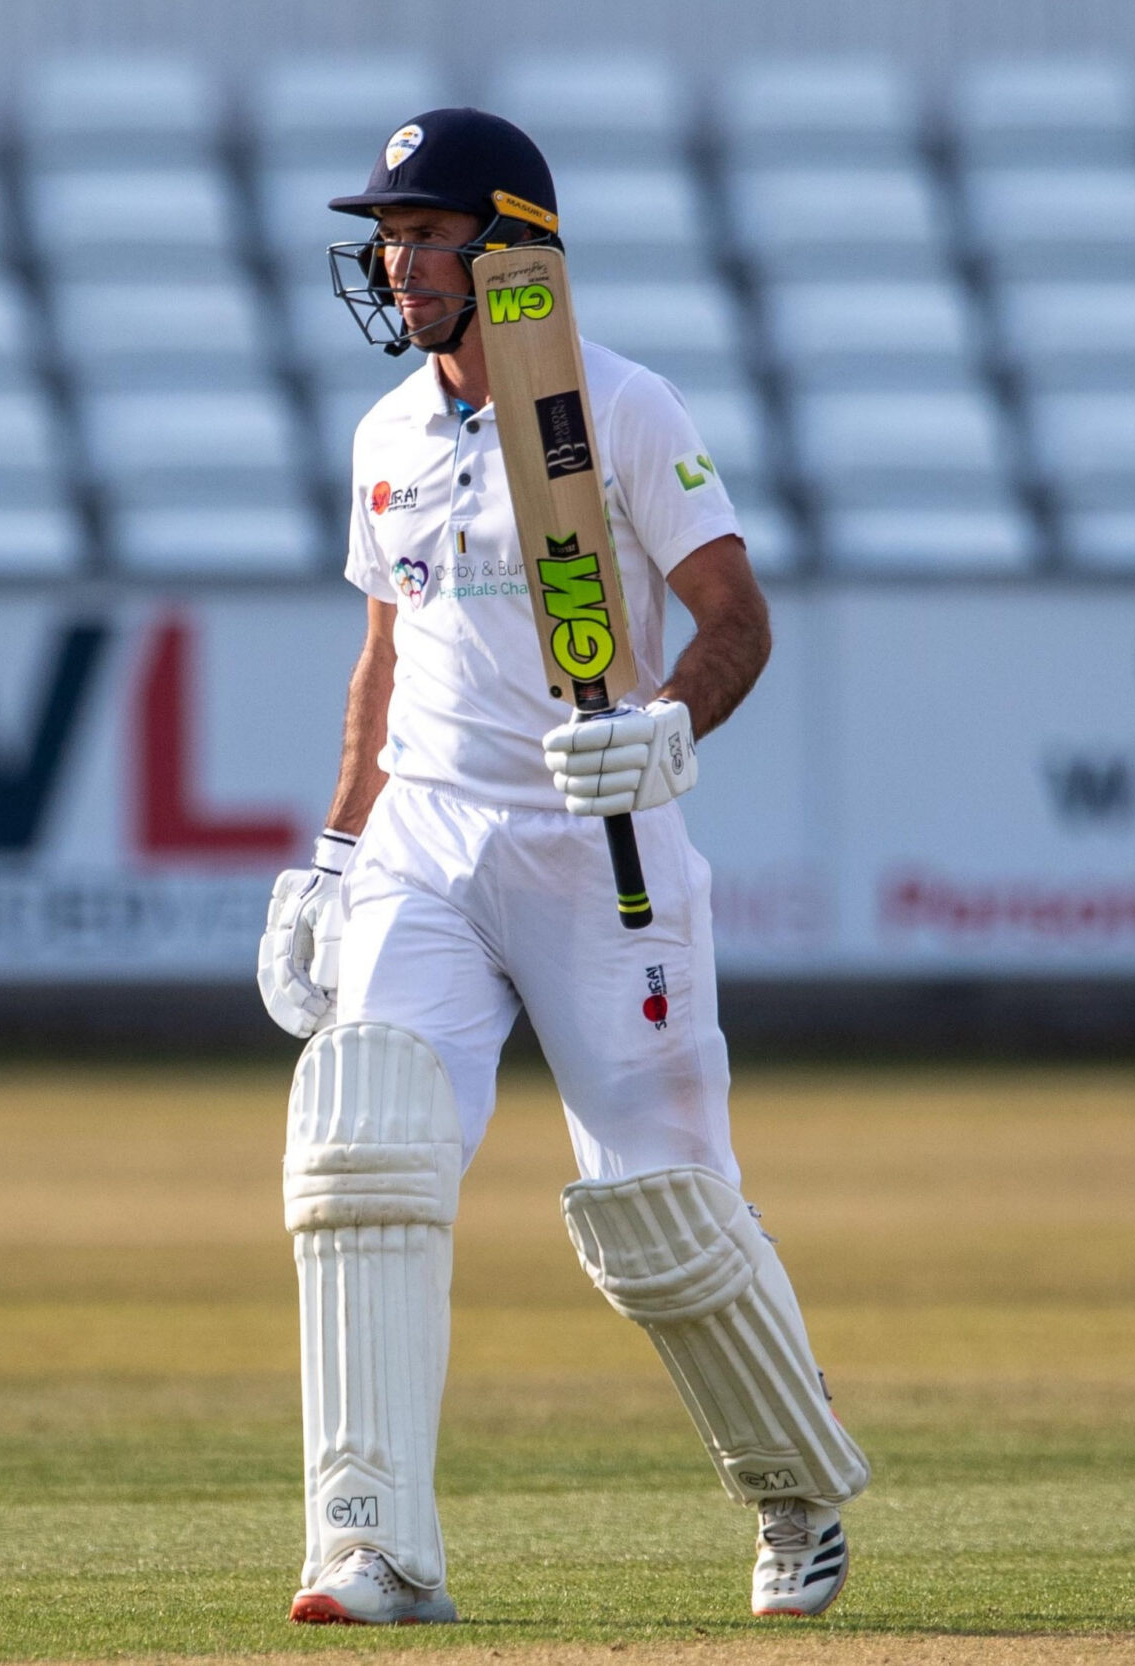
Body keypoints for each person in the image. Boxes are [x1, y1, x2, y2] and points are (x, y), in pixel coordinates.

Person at [256, 106, 867, 1627]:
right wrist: (334, 854)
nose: (396, 265)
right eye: (388, 238)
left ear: (511, 247)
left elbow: (737, 621)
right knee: (366, 1145)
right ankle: (373, 1543)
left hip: (600, 842)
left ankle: (793, 1493)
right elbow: (385, 661)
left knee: (661, 1205)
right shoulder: (384, 438)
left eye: (425, 234)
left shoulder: (624, 408)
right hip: (426, 840)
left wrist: (663, 731)